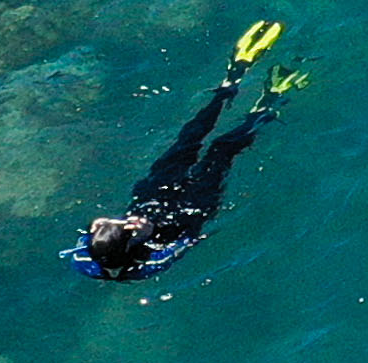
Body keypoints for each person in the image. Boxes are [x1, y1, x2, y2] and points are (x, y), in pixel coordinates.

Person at [67, 22, 307, 284]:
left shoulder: (88, 256)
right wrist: (152, 233)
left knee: (188, 140)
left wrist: (102, 226)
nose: (132, 221)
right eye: (131, 230)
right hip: (191, 208)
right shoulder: (153, 258)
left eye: (122, 222)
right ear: (134, 246)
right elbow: (186, 241)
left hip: (152, 196)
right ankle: (267, 105)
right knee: (221, 149)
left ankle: (232, 79)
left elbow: (88, 247)